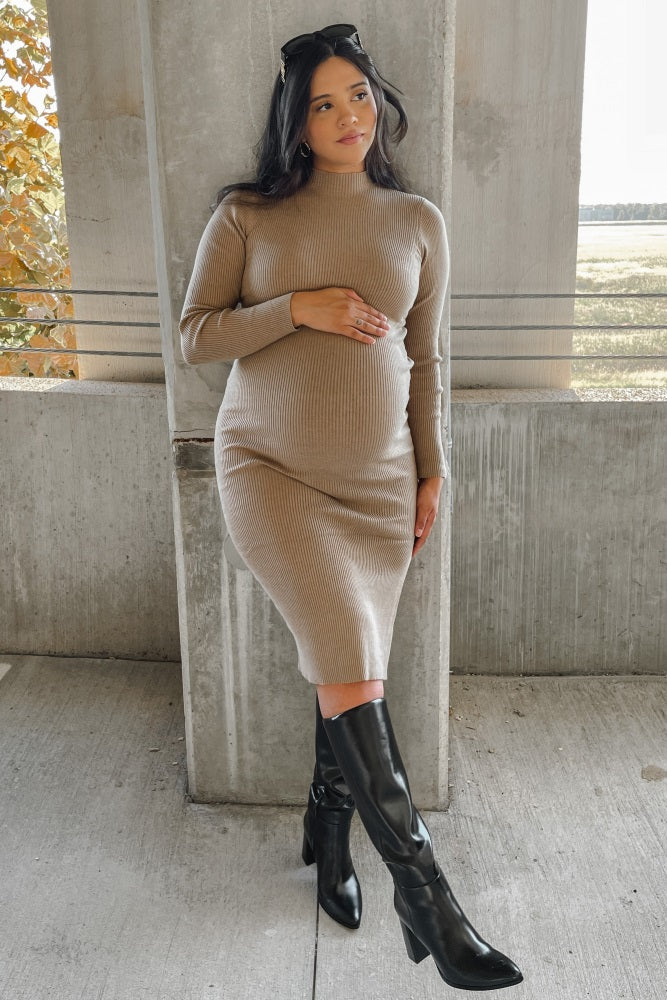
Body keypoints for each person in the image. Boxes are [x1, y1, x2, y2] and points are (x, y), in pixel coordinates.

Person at [179, 24, 522, 992]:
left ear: (378, 102)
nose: (346, 117)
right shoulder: (246, 216)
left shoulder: (417, 222)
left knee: (348, 669)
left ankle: (327, 832)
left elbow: (427, 360)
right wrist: (299, 307)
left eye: (358, 96)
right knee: (352, 669)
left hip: (378, 488)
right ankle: (430, 903)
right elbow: (196, 335)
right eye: (323, 103)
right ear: (295, 121)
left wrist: (431, 470)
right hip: (270, 473)